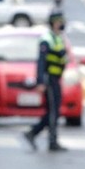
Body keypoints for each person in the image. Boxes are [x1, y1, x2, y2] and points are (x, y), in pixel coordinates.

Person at [23, 10, 69, 152]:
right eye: (58, 22)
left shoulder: (58, 38)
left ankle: (33, 133)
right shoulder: (47, 39)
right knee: (53, 112)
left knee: (53, 111)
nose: (61, 24)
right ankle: (52, 141)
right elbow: (41, 62)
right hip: (49, 80)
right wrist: (40, 82)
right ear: (53, 23)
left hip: (56, 79)